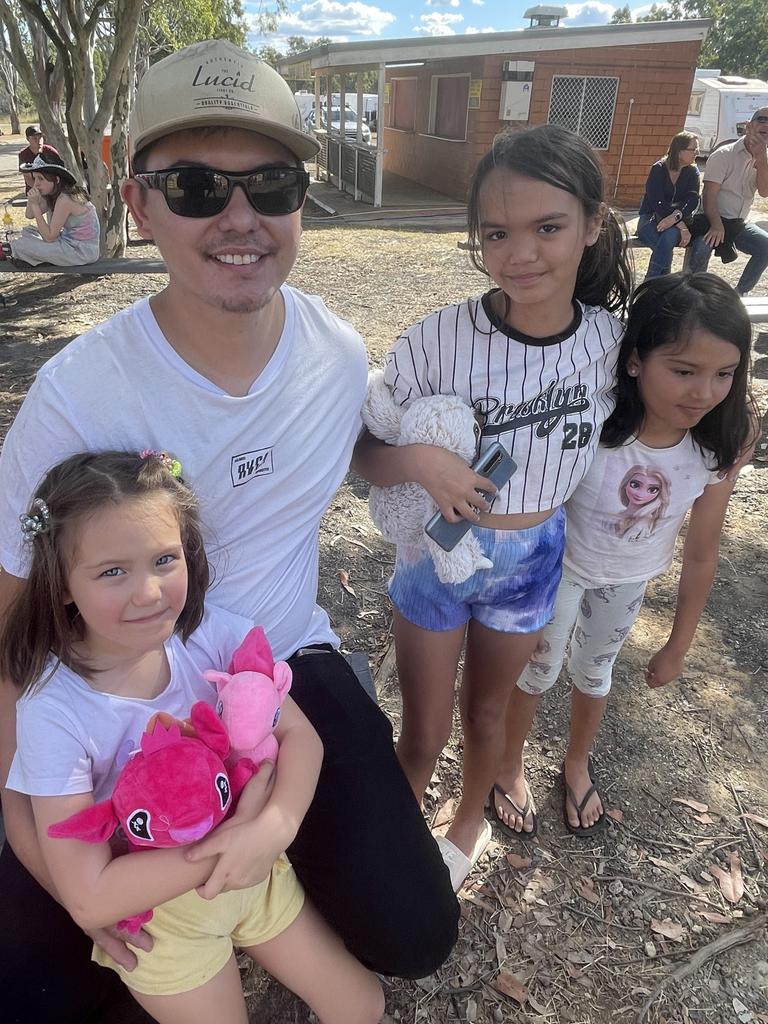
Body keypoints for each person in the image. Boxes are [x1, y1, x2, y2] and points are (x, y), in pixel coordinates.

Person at [0, 39, 458, 1024]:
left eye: (273, 183)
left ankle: (257, 868)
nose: (240, 217)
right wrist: (30, 835)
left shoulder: (333, 351)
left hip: (277, 666)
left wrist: (408, 461)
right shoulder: (79, 396)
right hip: (117, 697)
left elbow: (358, 444)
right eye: (198, 186)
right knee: (37, 994)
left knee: (415, 934)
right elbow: (11, 631)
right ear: (140, 205)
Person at [2, 449, 384, 1024]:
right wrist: (233, 839)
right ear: (60, 586)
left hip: (256, 868)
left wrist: (274, 827)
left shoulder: (209, 637)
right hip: (155, 916)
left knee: (362, 1005)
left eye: (164, 559)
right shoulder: (53, 709)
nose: (149, 592)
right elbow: (88, 894)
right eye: (112, 571)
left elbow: (301, 736)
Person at [352, 124, 633, 890]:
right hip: (435, 562)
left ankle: (467, 822)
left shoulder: (613, 342)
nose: (522, 254)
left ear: (593, 224)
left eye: (549, 227)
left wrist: (723, 442)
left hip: (533, 560)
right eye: (497, 233)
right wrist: (416, 461)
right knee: (425, 728)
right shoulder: (437, 340)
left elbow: (683, 397)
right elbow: (361, 450)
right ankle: (396, 829)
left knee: (486, 717)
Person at [505, 272, 755, 835]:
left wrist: (679, 643)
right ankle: (508, 761)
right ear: (636, 360)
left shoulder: (717, 444)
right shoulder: (592, 425)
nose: (703, 392)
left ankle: (576, 762)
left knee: (595, 671)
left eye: (724, 374)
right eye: (684, 371)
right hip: (559, 572)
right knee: (537, 671)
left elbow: (702, 550)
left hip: (627, 580)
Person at [688, 108, 768, 295]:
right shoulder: (724, 154)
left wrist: (762, 160)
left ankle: (738, 294)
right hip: (712, 218)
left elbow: (764, 192)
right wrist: (716, 225)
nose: (766, 124)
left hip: (739, 223)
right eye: (762, 119)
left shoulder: (765, 158)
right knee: (701, 249)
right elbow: (709, 195)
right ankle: (692, 295)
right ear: (749, 126)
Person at [2, 155, 100, 266]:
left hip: (81, 252)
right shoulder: (54, 194)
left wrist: (35, 205)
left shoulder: (65, 198)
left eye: (41, 179)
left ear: (56, 179)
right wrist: (33, 193)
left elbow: (49, 237)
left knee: (21, 245)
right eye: (35, 178)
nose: (37, 183)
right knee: (28, 232)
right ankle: (31, 256)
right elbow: (29, 215)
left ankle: (18, 253)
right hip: (67, 244)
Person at [636, 131, 700, 279]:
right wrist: (681, 225)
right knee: (665, 246)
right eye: (693, 149)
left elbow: (692, 199)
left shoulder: (692, 172)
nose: (697, 152)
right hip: (650, 219)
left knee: (669, 237)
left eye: (697, 149)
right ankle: (661, 283)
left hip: (676, 222)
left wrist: (675, 218)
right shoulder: (658, 169)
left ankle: (650, 281)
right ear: (679, 151)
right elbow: (656, 201)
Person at [18, 125, 64, 193]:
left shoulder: (50, 151)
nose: (38, 141)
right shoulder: (23, 155)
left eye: (40, 137)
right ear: (28, 139)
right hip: (34, 190)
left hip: (53, 189)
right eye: (34, 138)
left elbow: (60, 171)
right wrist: (39, 189)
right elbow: (27, 177)